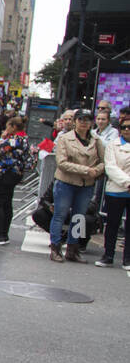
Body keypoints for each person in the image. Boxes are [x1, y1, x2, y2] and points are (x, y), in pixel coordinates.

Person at [49, 109, 105, 263]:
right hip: (66, 182)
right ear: (75, 121)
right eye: (81, 119)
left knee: (79, 217)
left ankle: (73, 249)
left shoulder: (96, 140)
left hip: (86, 185)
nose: (84, 123)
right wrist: (86, 170)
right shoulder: (65, 139)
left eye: (87, 120)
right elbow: (62, 162)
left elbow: (103, 161)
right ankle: (55, 248)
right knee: (60, 215)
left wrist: (96, 171)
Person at [0, 115, 33, 245]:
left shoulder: (13, 140)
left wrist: (2, 137)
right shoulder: (24, 139)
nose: (5, 129)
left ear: (13, 127)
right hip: (14, 174)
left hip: (4, 174)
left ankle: (0, 234)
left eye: (7, 127)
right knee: (6, 203)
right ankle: (3, 234)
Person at [95, 113, 130, 268]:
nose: (127, 130)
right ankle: (108, 255)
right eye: (124, 127)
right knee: (112, 224)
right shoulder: (113, 145)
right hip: (115, 191)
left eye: (129, 127)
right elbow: (110, 166)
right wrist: (127, 182)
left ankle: (127, 258)